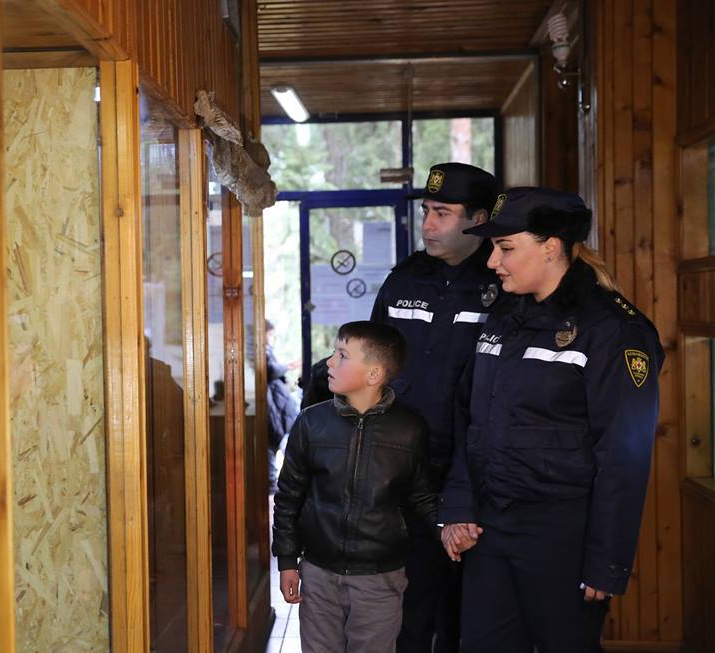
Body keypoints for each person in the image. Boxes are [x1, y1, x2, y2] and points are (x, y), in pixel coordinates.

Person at [438, 187, 664, 653]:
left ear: (551, 246)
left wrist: (607, 560)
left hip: (563, 535)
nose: (491, 262)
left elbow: (624, 455)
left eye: (505, 248)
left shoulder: (612, 330)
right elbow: (470, 421)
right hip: (491, 530)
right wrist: (458, 507)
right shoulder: (502, 318)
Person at [370, 161, 501, 653]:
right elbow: (371, 363)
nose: (427, 224)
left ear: (479, 219)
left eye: (442, 213)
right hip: (404, 474)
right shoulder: (405, 278)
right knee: (407, 612)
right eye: (426, 211)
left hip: (476, 478)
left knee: (468, 618)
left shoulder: (503, 283)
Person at [272, 321, 438, 653]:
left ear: (374, 375)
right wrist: (288, 560)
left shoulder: (410, 428)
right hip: (318, 573)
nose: (330, 362)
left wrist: (449, 529)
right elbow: (289, 497)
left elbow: (423, 496)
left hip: (381, 578)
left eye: (342, 355)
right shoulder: (311, 423)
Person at [265, 319, 300, 492]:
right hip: (273, 410)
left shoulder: (266, 351)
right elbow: (270, 370)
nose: (271, 338)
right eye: (270, 335)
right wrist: (287, 366)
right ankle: (273, 485)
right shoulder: (261, 351)